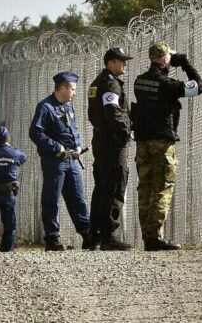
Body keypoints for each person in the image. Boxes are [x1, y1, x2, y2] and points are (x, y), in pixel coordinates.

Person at [131, 41, 202, 251]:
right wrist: (185, 64)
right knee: (163, 187)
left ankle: (148, 236)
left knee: (145, 187)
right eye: (169, 58)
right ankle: (154, 237)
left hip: (142, 141)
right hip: (162, 142)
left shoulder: (139, 82)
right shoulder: (168, 85)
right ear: (164, 59)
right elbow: (199, 86)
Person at [29, 71, 95, 251]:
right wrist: (55, 146)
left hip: (72, 160)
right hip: (55, 161)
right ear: (63, 87)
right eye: (72, 89)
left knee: (78, 199)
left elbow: (73, 130)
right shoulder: (45, 107)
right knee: (52, 199)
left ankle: (87, 234)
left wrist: (79, 146)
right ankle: (52, 238)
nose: (74, 92)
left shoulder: (68, 106)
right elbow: (35, 133)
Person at [86, 47, 134, 251]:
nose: (125, 64)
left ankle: (94, 235)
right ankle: (109, 235)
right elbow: (113, 112)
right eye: (121, 61)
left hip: (101, 138)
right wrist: (126, 132)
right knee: (115, 184)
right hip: (112, 141)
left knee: (102, 187)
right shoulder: (110, 83)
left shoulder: (97, 83)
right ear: (111, 62)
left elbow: (92, 114)